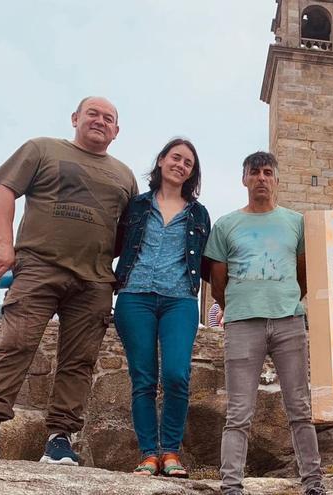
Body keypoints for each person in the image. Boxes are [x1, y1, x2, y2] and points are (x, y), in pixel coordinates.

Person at [0, 97, 137, 465]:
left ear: (117, 130)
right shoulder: (42, 148)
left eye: (108, 118)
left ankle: (60, 439)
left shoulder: (124, 175)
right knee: (15, 342)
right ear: (75, 117)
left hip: (94, 280)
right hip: (38, 267)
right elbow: (3, 191)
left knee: (79, 361)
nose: (100, 121)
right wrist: (3, 243)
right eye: (92, 114)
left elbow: (128, 230)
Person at [204, 151, 325, 495]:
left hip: (289, 321)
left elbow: (304, 271)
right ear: (244, 179)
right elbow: (218, 282)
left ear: (276, 179)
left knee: (300, 407)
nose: (260, 178)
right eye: (254, 172)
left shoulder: (295, 221)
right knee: (238, 411)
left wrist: (285, 299)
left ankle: (313, 483)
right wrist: (241, 305)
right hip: (243, 324)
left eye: (267, 172)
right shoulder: (226, 225)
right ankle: (231, 486)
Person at [112, 138, 211, 477]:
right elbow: (112, 244)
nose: (181, 165)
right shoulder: (137, 205)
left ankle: (170, 452)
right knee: (142, 379)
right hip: (134, 296)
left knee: (176, 375)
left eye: (188, 163)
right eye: (176, 157)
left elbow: (210, 263)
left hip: (180, 300)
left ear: (192, 173)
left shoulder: (198, 213)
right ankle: (148, 454)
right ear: (161, 161)